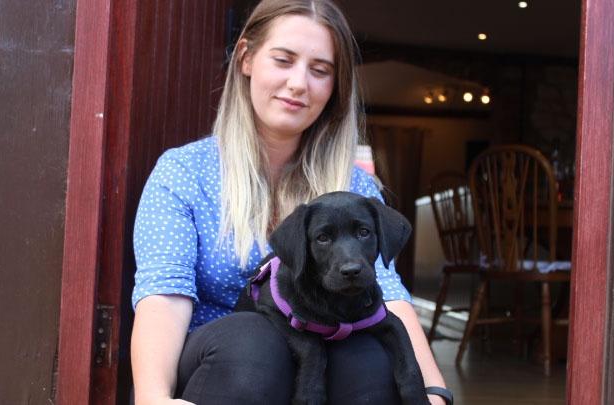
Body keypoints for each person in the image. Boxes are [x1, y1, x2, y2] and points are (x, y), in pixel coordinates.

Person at [130, 1, 449, 404]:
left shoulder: (354, 187)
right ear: (246, 58)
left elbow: (385, 292)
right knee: (255, 341)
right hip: (224, 366)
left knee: (368, 355)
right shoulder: (185, 172)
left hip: (320, 369)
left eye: (319, 70)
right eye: (284, 60)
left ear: (334, 87)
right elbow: (164, 295)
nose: (299, 83)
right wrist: (152, 398)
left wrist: (433, 392)